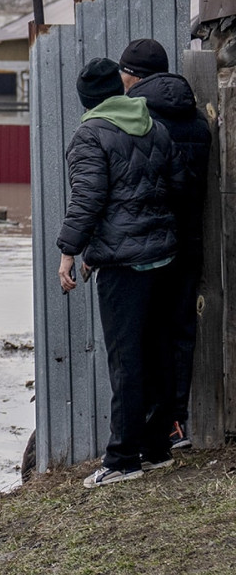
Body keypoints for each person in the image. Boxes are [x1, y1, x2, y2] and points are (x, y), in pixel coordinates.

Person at [57, 57, 185, 489]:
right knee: (158, 352)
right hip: (163, 259)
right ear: (119, 90)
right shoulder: (154, 126)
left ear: (87, 100)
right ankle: (156, 448)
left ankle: (123, 459)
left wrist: (69, 252)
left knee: (127, 361)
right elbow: (179, 185)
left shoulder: (90, 134)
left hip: (123, 267)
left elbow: (88, 201)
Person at [119, 38, 212, 450]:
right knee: (179, 332)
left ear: (132, 75)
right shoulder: (195, 119)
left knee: (143, 335)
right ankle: (177, 424)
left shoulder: (137, 118)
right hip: (189, 239)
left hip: (149, 242)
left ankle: (149, 430)